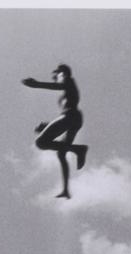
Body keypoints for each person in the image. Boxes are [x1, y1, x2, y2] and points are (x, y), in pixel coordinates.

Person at [21, 64, 88, 199]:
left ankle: (78, 149)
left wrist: (36, 84)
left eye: (56, 75)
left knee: (40, 143)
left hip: (70, 116)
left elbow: (60, 85)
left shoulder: (67, 78)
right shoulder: (67, 93)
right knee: (61, 153)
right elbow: (62, 118)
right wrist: (47, 127)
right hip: (74, 119)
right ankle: (66, 190)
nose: (55, 78)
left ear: (61, 73)